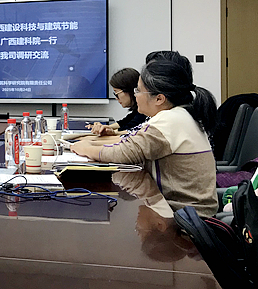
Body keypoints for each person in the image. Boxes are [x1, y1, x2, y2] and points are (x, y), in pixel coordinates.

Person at [72, 56, 219, 216]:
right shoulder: (179, 114)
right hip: (186, 211)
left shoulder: (169, 120)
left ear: (159, 98)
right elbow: (132, 142)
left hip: (187, 218)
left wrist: (84, 148)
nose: (135, 95)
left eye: (138, 90)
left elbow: (124, 153)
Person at [89, 68, 147, 136]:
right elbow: (124, 122)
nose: (116, 98)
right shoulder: (138, 110)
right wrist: (104, 127)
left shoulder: (145, 110)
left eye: (116, 93)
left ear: (129, 90)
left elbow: (131, 129)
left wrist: (110, 131)